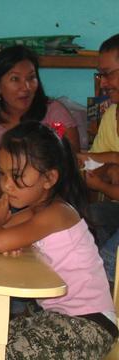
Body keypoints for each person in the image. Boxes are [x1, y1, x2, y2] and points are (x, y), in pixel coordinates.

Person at [0, 121, 117, 359]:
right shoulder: (33, 212)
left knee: (4, 354)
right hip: (54, 317)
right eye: (2, 174)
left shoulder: (58, 213)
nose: (5, 185)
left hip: (88, 324)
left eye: (16, 176)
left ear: (49, 179)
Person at [0, 45, 80, 201]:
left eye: (31, 77)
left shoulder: (54, 115)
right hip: (9, 205)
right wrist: (18, 182)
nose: (26, 87)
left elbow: (70, 164)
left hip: (54, 204)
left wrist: (36, 185)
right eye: (15, 79)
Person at [76, 33, 119, 283]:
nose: (102, 83)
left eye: (108, 73)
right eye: (100, 75)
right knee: (93, 213)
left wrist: (104, 181)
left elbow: (98, 169)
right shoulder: (111, 114)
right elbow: (93, 165)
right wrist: (110, 169)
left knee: (108, 262)